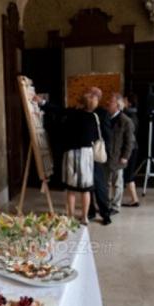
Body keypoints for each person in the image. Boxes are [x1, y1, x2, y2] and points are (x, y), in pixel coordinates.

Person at [58, 92, 101, 224]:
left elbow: (63, 131)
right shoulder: (94, 117)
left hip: (71, 153)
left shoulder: (72, 115)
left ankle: (70, 217)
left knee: (71, 189)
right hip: (86, 154)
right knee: (86, 189)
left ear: (81, 102)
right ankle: (85, 217)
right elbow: (95, 137)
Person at [85, 87, 113, 225]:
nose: (87, 96)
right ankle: (90, 212)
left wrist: (106, 152)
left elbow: (107, 135)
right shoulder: (83, 110)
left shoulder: (102, 113)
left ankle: (105, 213)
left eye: (89, 94)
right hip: (84, 152)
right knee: (87, 184)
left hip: (96, 154)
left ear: (95, 97)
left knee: (99, 185)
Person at [105, 93, 136, 214]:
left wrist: (125, 156)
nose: (107, 103)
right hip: (106, 156)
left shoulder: (126, 121)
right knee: (106, 183)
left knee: (117, 183)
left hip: (118, 157)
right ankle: (106, 204)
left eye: (110, 102)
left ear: (117, 105)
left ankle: (116, 206)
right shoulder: (106, 118)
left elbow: (130, 141)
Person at [122, 93, 141, 207]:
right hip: (133, 147)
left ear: (129, 103)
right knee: (129, 175)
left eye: (124, 100)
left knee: (129, 175)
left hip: (131, 148)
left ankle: (134, 199)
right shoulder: (133, 114)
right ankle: (134, 199)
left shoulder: (129, 116)